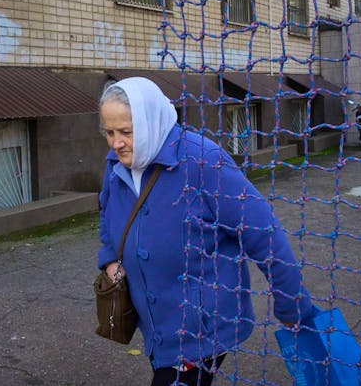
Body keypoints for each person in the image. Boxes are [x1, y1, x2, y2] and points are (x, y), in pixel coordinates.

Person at [96, 77, 317, 386]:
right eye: (109, 132)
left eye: (126, 132)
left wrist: (293, 305)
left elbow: (264, 233)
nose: (115, 142)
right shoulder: (115, 162)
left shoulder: (203, 161)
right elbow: (107, 212)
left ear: (150, 123)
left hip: (200, 328)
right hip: (154, 323)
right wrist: (109, 258)